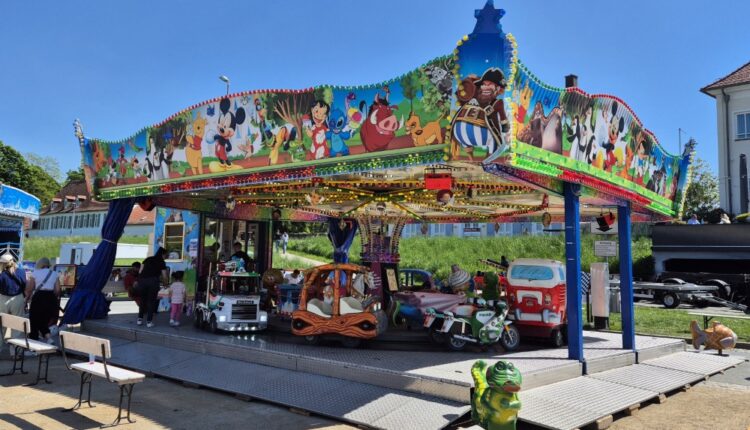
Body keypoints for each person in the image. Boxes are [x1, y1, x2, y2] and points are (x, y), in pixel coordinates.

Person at [24, 258, 60, 344]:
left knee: (34, 318)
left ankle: (34, 340)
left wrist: (26, 299)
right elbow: (58, 290)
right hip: (51, 297)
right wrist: (53, 298)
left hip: (39, 297)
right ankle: (48, 337)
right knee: (44, 319)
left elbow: (29, 289)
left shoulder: (35, 273)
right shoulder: (54, 274)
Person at [0, 254, 26, 354]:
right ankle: (16, 352)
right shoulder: (21, 271)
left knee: (1, 325)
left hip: (2, 299)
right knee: (17, 326)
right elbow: (24, 285)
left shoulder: (1, 273)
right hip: (17, 298)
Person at [137, 247, 168, 328]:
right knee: (151, 301)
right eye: (166, 255)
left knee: (142, 300)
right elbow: (164, 275)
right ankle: (149, 322)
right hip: (153, 281)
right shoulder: (161, 262)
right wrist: (165, 284)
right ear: (162, 254)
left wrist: (140, 280)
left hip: (142, 281)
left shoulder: (148, 259)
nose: (166, 256)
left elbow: (140, 271)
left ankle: (139, 319)